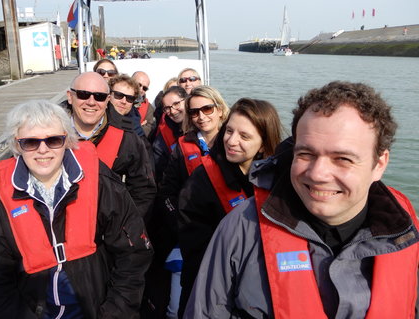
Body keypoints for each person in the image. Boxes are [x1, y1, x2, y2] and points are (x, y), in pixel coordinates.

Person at [184, 81, 419, 318]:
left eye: (343, 159)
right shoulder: (240, 229)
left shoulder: (407, 234)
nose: (318, 174)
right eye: (306, 154)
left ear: (379, 164)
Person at [0, 99, 153, 318]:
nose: (43, 150)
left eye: (53, 140)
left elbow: (133, 254)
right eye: (30, 142)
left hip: (97, 308)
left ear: (67, 140)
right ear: (17, 145)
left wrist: (114, 313)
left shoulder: (103, 185)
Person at [178, 98, 283, 316]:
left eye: (244, 136)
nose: (231, 141)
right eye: (229, 131)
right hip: (213, 286)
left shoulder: (280, 181)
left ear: (263, 144)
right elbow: (194, 245)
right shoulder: (202, 180)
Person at [152, 85, 230, 319]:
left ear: (219, 109)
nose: (201, 116)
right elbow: (166, 194)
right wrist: (182, 224)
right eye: (194, 112)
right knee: (178, 308)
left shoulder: (233, 143)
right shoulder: (181, 148)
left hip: (230, 233)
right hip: (192, 237)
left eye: (207, 108)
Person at [66, 72, 156, 220]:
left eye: (99, 96)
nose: (91, 102)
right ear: (70, 96)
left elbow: (143, 190)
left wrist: (125, 229)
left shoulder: (128, 138)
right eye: (83, 94)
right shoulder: (48, 133)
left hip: (107, 230)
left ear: (107, 99)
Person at [152, 86, 187, 182]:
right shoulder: (162, 137)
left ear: (187, 100)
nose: (173, 111)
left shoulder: (202, 124)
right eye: (167, 108)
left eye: (176, 104)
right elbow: (159, 169)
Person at [132, 71, 156, 138]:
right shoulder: (119, 97)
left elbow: (149, 129)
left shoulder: (149, 108)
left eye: (145, 88)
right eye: (138, 85)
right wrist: (138, 126)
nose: (140, 89)